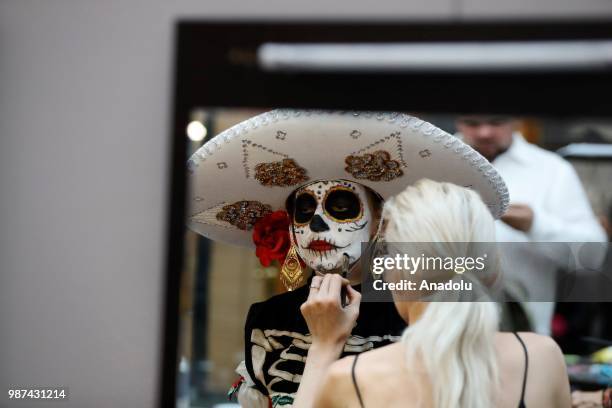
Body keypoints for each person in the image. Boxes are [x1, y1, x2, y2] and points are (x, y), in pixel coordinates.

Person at [186, 110, 508, 407]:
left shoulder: (416, 311)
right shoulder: (268, 318)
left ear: (378, 219)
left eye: (341, 207)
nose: (316, 225)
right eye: (305, 211)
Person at [314, 179, 572, 408]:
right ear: (493, 269)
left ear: (397, 272)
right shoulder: (540, 358)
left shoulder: (353, 380)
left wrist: (324, 346)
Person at [456, 116, 607, 334]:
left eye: (496, 122)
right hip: (440, 335)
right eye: (472, 123)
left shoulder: (552, 170)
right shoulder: (427, 163)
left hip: (524, 340)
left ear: (515, 119)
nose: (484, 132)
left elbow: (593, 255)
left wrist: (535, 225)